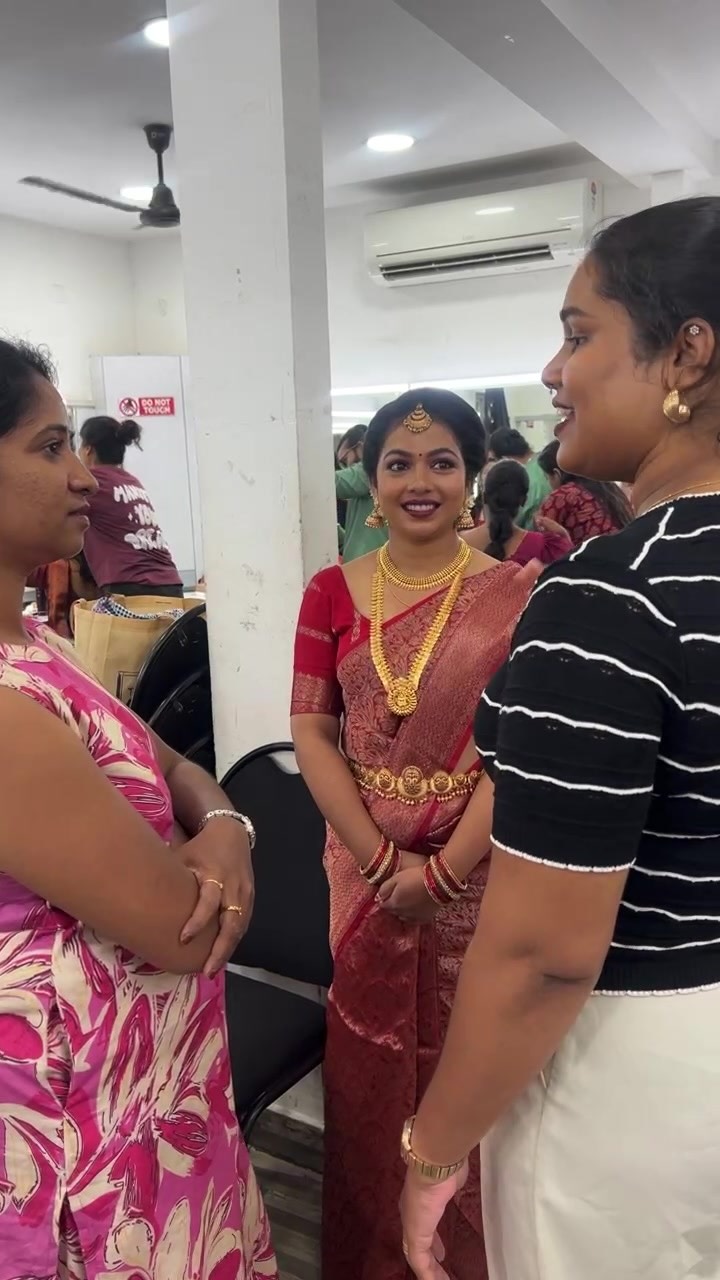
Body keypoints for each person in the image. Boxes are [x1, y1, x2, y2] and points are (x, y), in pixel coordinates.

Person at [400, 196, 720, 1280]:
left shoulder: (612, 597)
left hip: (642, 1069)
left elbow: (543, 952)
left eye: (580, 334)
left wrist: (431, 1146)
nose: (551, 369)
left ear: (687, 352)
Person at [0, 339, 276, 1278]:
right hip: (82, 1128)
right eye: (47, 449)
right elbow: (185, 934)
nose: (83, 476)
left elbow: (166, 762)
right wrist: (218, 856)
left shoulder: (34, 645)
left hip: (149, 1095)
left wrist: (229, 828)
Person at [291, 389, 533, 1280]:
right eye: (399, 462)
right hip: (364, 878)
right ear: (372, 474)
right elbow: (311, 730)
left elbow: (522, 748)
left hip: (477, 881)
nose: (419, 481)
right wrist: (381, 857)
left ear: (472, 477)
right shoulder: (331, 590)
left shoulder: (520, 597)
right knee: (366, 1065)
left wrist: (442, 871)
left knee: (470, 1069)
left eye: (441, 463)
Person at [79, 415, 184, 597]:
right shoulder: (132, 481)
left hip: (131, 587)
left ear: (88, 450)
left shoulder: (94, 483)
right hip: (170, 584)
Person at [467, 459, 571, 566]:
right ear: (524, 500)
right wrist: (563, 534)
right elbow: (570, 568)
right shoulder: (545, 547)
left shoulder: (458, 543)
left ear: (484, 497)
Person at [536, 437, 633, 545]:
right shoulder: (610, 489)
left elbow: (541, 539)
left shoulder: (563, 495)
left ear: (557, 474)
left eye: (547, 477)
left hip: (592, 558)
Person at [334, 423, 389, 561]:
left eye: (345, 459)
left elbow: (332, 483)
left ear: (359, 448)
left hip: (368, 566)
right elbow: (359, 533)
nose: (345, 467)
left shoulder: (368, 471)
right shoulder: (364, 488)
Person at [486, 426, 551, 528]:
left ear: (504, 459)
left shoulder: (528, 479)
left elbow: (513, 521)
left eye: (493, 460)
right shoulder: (542, 459)